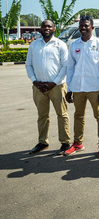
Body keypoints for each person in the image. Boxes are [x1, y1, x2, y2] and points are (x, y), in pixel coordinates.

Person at [64, 16, 99, 158]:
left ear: (92, 28)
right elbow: (70, 68)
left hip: (94, 87)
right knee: (78, 115)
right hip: (78, 87)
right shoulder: (74, 45)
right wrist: (69, 89)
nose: (83, 28)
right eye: (81, 26)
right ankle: (78, 143)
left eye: (86, 26)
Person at [25, 20, 71, 155]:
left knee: (62, 115)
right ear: (40, 29)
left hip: (56, 86)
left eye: (49, 26)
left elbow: (66, 65)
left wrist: (54, 82)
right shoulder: (34, 45)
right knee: (42, 115)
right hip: (39, 87)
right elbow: (28, 65)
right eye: (44, 26)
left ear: (53, 28)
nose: (46, 28)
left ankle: (65, 142)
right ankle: (42, 142)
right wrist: (34, 81)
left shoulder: (60, 45)